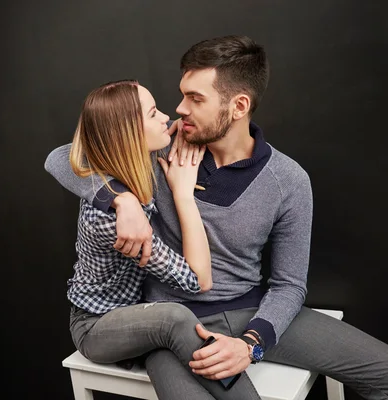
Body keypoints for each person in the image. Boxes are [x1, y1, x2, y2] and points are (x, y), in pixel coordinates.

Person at [45, 35, 388, 400]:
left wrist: (251, 343)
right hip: (170, 323)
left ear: (238, 106)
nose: (179, 109)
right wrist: (121, 199)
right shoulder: (158, 146)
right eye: (182, 94)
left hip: (249, 310)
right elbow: (61, 158)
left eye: (195, 99)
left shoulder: (288, 180)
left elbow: (289, 285)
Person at [62, 78, 218, 376]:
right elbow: (199, 281)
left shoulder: (131, 167)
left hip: (135, 311)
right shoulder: (108, 220)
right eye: (153, 113)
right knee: (175, 318)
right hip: (96, 325)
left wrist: (123, 199)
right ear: (128, 134)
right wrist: (183, 196)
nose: (166, 117)